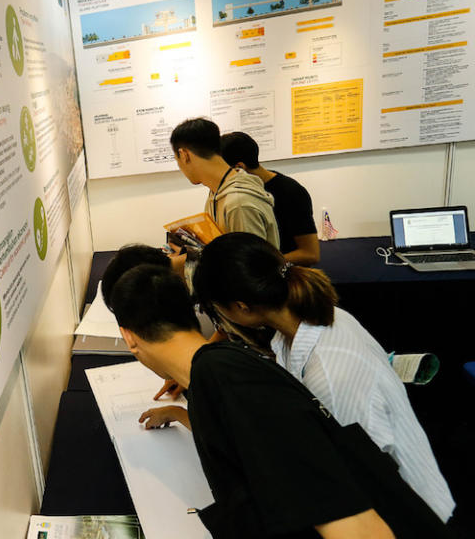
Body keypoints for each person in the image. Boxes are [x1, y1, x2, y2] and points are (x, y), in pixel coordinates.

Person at [108, 263, 452, 538]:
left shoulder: (230, 381)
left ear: (129, 337)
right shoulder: (216, 370)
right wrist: (185, 417)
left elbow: (360, 529)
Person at [191, 232, 455, 523]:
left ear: (241, 307)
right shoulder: (312, 322)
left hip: (406, 514)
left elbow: (358, 477)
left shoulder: (329, 376)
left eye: (216, 310)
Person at [168, 118, 278, 278]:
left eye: (176, 159)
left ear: (184, 154)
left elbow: (250, 271)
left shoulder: (238, 202)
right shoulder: (217, 191)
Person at [221, 131, 319, 265]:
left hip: (283, 276)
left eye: (221, 170)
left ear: (239, 167)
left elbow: (310, 254)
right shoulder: (233, 191)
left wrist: (260, 263)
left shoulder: (291, 192)